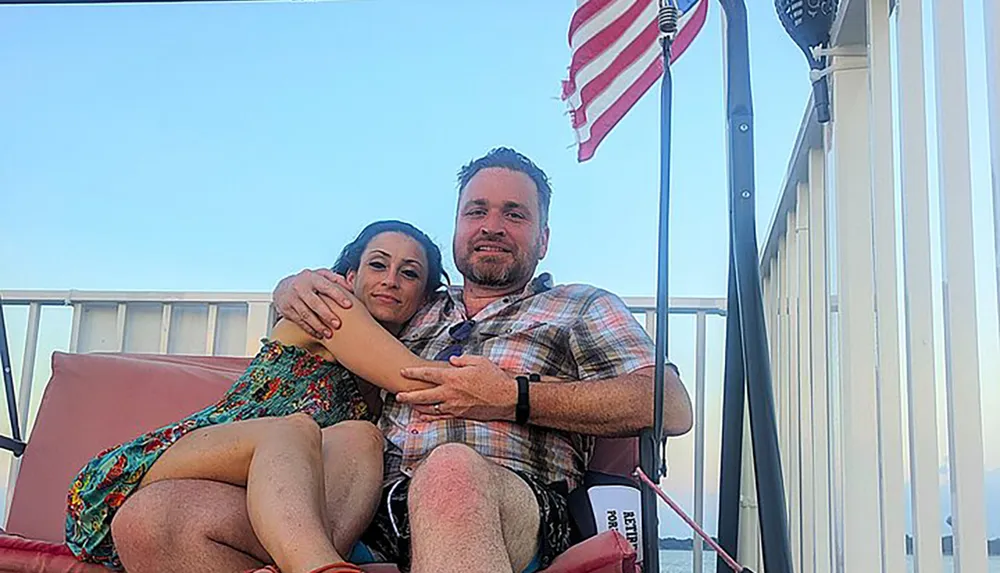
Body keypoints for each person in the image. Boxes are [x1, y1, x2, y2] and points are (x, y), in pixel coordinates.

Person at [110, 147, 693, 573]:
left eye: (515, 214)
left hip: (504, 500)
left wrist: (516, 396)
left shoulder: (578, 305)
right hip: (365, 512)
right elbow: (329, 313)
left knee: (449, 472)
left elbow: (670, 404)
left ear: (542, 238)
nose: (492, 226)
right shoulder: (411, 308)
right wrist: (291, 285)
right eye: (477, 211)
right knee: (155, 516)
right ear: (458, 227)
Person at [65, 220, 450, 573]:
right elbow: (416, 377)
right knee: (294, 430)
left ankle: (304, 558)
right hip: (187, 461)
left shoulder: (375, 388)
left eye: (410, 273)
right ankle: (319, 567)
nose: (391, 280)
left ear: (424, 299)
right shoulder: (328, 309)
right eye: (378, 265)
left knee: (361, 438)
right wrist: (506, 387)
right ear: (350, 276)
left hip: (265, 504)